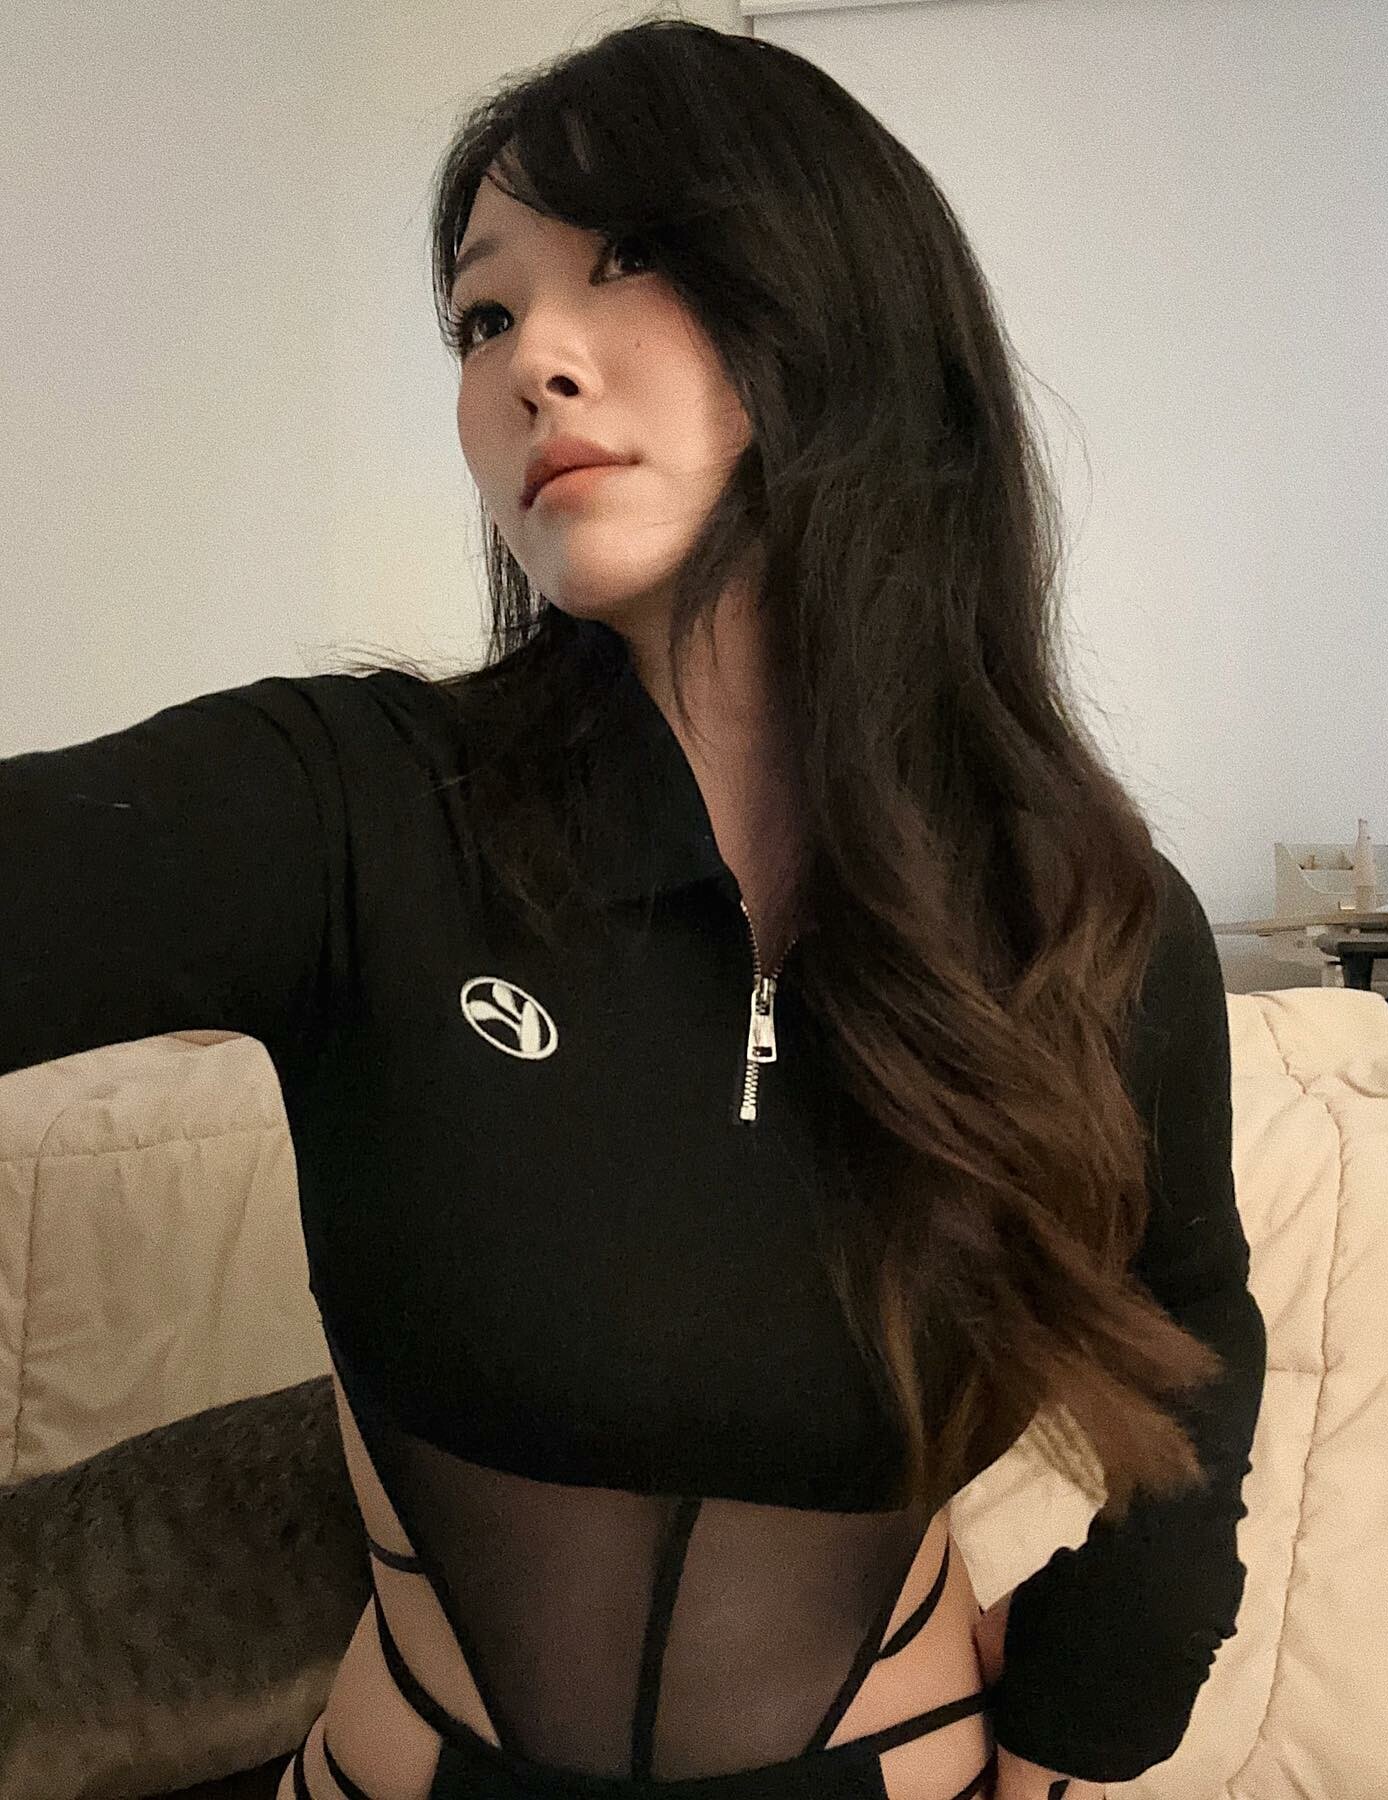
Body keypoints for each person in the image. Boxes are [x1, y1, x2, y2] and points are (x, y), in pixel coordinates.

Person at [0, 17, 1266, 1800]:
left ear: (850, 306)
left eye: (633, 259)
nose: (532, 360)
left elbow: (1189, 1327)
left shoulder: (1080, 918)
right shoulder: (353, 806)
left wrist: (1095, 1714)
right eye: (481, 315)